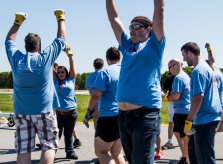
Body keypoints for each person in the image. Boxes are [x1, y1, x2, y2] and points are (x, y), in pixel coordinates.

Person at [106, 0, 165, 163]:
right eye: (130, 26)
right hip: (124, 116)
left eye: (136, 26)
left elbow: (159, 12)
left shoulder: (154, 46)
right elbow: (114, 19)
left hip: (145, 115)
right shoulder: (126, 46)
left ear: (148, 29)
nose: (131, 29)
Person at [5, 10, 66, 163]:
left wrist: (18, 21)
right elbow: (61, 38)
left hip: (21, 112)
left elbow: (9, 40)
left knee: (23, 149)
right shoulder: (45, 58)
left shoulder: (16, 59)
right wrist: (60, 18)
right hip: (43, 111)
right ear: (39, 47)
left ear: (25, 46)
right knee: (48, 146)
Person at [181, 42, 222, 164]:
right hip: (206, 118)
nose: (183, 59)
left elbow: (198, 97)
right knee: (195, 155)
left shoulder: (198, 71)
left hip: (205, 119)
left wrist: (189, 120)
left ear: (190, 53)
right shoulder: (206, 68)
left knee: (204, 158)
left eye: (184, 55)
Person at [84, 47, 125, 164]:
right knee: (117, 152)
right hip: (123, 115)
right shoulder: (125, 70)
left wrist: (88, 112)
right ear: (119, 58)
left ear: (107, 59)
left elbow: (96, 95)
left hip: (108, 116)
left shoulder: (105, 72)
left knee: (101, 152)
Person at [53, 44, 78, 160]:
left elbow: (72, 65)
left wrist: (69, 54)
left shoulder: (71, 79)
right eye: (58, 72)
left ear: (66, 72)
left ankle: (70, 152)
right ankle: (51, 154)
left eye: (62, 72)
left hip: (71, 113)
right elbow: (50, 64)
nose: (60, 73)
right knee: (56, 135)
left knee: (68, 135)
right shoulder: (55, 80)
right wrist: (55, 51)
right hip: (58, 114)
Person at [167, 59, 190, 164]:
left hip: (182, 111)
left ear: (173, 66)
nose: (170, 71)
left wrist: (168, 97)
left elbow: (176, 96)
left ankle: (188, 159)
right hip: (185, 110)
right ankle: (185, 156)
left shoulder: (178, 78)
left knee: (185, 137)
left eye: (169, 68)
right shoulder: (186, 76)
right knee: (177, 132)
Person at [205, 43, 223, 132]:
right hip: (221, 105)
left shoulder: (214, 75)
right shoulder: (217, 70)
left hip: (218, 106)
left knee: (212, 132)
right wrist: (209, 50)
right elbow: (212, 60)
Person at [85, 58, 104, 129]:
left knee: (97, 129)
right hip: (105, 105)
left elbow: (90, 92)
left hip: (95, 105)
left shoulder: (89, 78)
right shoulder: (104, 75)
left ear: (94, 65)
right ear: (103, 65)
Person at [161, 74, 175, 150]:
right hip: (177, 102)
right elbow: (164, 90)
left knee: (172, 122)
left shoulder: (170, 77)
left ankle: (170, 141)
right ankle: (170, 141)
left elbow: (163, 91)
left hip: (173, 101)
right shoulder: (185, 76)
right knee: (172, 122)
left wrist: (165, 97)